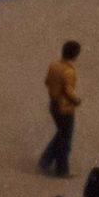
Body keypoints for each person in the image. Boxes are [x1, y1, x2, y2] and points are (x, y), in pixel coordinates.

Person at [36, 41, 80, 178]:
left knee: (61, 133)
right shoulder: (69, 71)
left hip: (53, 103)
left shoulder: (54, 65)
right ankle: (62, 169)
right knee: (65, 138)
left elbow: (47, 81)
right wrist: (76, 100)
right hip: (64, 107)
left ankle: (46, 159)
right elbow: (68, 91)